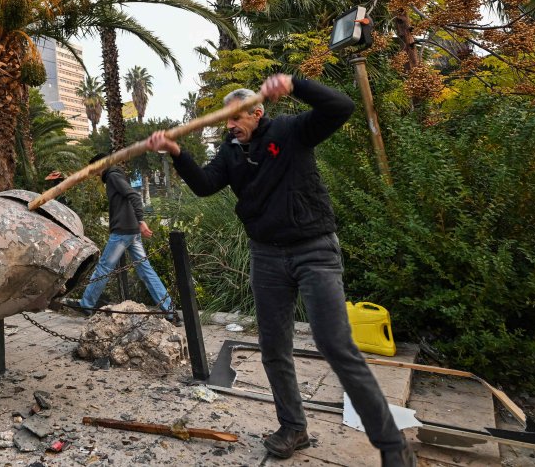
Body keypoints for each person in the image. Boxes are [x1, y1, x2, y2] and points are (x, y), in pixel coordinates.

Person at [146, 74, 416, 466]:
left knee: (335, 344)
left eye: (236, 118)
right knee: (273, 347)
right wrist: (176, 152)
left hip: (314, 250)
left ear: (258, 113)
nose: (230, 126)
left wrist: (296, 84)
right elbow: (205, 185)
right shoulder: (231, 152)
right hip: (267, 256)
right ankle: (294, 428)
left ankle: (392, 444)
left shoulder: (292, 131)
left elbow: (342, 108)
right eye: (226, 120)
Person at [63, 153, 175, 321]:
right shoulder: (116, 175)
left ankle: (86, 304)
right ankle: (170, 311)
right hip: (131, 232)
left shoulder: (113, 176)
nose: (93, 173)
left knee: (104, 267)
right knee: (146, 270)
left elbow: (134, 196)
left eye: (93, 169)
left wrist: (141, 220)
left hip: (122, 232)